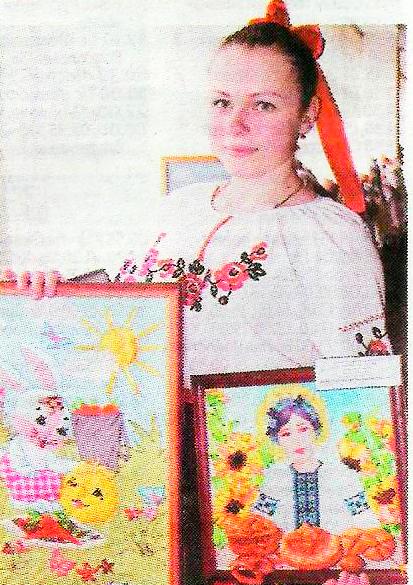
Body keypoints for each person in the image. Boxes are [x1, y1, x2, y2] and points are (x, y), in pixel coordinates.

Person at [3, 5, 389, 383]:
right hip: (150, 427)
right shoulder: (176, 210)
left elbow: (365, 395)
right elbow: (115, 334)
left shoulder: (331, 236)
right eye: (222, 102)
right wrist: (47, 296)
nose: (236, 123)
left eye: (263, 105)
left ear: (307, 115)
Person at [254, 393, 380, 534]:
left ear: (315, 430)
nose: (297, 440)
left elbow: (366, 521)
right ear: (276, 439)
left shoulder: (341, 475)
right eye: (286, 434)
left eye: (303, 429)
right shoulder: (275, 479)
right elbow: (259, 524)